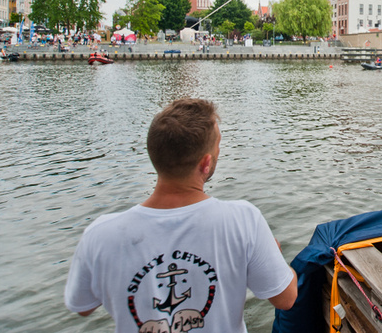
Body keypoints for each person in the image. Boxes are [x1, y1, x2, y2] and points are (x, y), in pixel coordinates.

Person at [64, 98, 297, 332]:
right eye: (218, 146)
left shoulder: (100, 234)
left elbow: (82, 306)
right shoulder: (243, 221)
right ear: (206, 163)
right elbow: (286, 299)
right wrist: (275, 260)